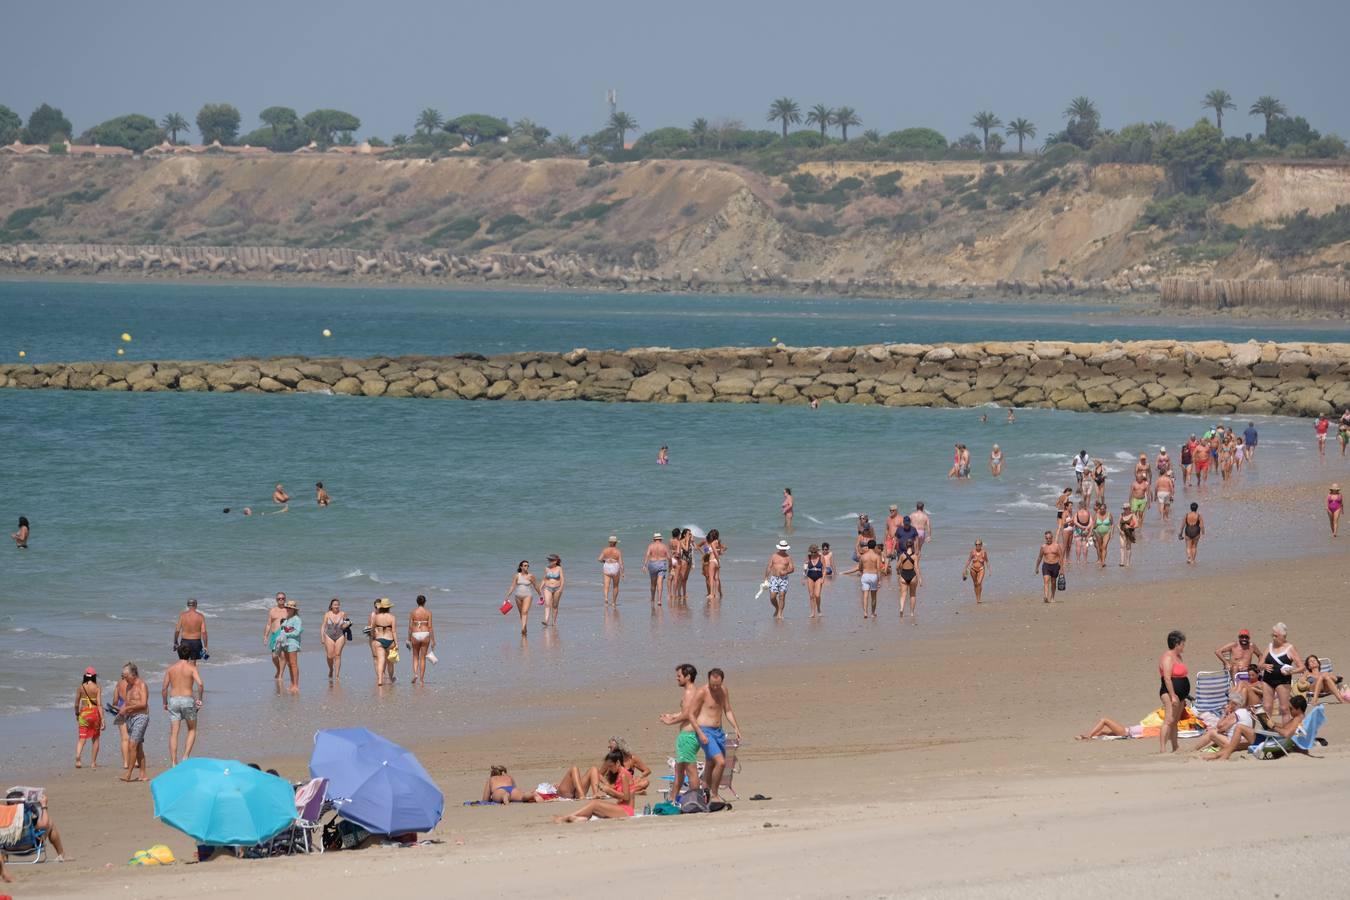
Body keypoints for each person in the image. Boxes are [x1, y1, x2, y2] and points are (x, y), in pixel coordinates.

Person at [1205, 695, 1306, 762]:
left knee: (1240, 727)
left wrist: (1273, 726)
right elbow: (1285, 728)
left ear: (1299, 709)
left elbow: (1286, 733)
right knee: (1236, 743)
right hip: (1272, 738)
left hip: (1272, 741)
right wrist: (1267, 721)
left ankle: (1224, 755)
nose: (1289, 710)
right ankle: (1217, 755)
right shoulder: (1298, 719)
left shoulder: (1297, 720)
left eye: (1291, 708)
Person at [695, 668, 741, 802]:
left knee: (710, 762)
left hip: (718, 731)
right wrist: (699, 732)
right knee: (720, 762)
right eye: (712, 684)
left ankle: (705, 792)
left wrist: (736, 727)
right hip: (704, 730)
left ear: (722, 681)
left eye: (717, 684)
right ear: (708, 680)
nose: (715, 687)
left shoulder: (723, 690)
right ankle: (714, 794)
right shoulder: (702, 692)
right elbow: (691, 714)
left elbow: (728, 710)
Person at [552, 750, 637, 823]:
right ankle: (580, 818)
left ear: (618, 763)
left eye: (611, 766)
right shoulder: (619, 775)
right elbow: (619, 796)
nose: (610, 769)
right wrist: (607, 791)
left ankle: (566, 817)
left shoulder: (624, 775)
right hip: (621, 807)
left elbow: (625, 797)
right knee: (595, 809)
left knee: (595, 804)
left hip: (626, 811)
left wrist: (609, 790)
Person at [659, 663, 702, 803]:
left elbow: (689, 715)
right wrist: (672, 715)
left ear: (688, 676)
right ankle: (672, 798)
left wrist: (670, 722)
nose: (677, 679)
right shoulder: (692, 692)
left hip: (688, 736)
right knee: (679, 769)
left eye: (679, 676)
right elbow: (686, 712)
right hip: (687, 736)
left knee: (690, 769)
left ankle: (695, 798)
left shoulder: (690, 692)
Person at [162, 644, 204, 766]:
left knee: (174, 733)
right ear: (190, 654)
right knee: (191, 729)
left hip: (174, 700)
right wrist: (200, 699)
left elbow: (164, 688)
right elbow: (200, 684)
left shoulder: (171, 668)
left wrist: (164, 703)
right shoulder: (191, 668)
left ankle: (174, 762)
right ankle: (185, 757)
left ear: (178, 653)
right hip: (187, 701)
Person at [4, 789, 67, 862]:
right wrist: (44, 805)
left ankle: (4, 858)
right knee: (49, 823)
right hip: (28, 846)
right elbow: (45, 825)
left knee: (5, 834)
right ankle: (61, 854)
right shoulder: (27, 814)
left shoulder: (3, 816)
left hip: (8, 848)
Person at [1261, 622, 1302, 725]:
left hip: (1282, 681)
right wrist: (1264, 666)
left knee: (1284, 708)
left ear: (1283, 636)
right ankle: (1267, 731)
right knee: (1267, 707)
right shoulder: (1269, 646)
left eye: (1276, 636)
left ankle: (1286, 732)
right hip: (1267, 679)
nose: (1274, 638)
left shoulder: (1290, 648)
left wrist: (1290, 671)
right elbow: (1260, 663)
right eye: (1272, 635)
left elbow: (1302, 667)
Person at [1158, 630, 1189, 754]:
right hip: (1169, 692)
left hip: (1180, 693)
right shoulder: (1167, 657)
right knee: (1169, 720)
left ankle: (1175, 746)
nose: (1183, 646)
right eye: (1182, 643)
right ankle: (1162, 748)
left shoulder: (1178, 657)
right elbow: (1167, 677)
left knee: (1175, 721)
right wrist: (1173, 695)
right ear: (1177, 643)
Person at [119, 662, 150, 782]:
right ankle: (143, 774)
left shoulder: (141, 685)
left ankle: (129, 773)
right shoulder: (128, 686)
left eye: (125, 676)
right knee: (138, 747)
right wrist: (121, 710)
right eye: (123, 676)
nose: (124, 679)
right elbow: (127, 702)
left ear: (133, 674)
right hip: (130, 718)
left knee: (132, 745)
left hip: (141, 717)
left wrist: (127, 708)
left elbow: (143, 703)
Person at [843, 539, 884, 618]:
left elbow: (860, 567)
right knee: (874, 596)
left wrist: (863, 571)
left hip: (865, 575)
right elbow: (879, 569)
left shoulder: (863, 556)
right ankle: (872, 613)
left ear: (868, 546)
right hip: (873, 575)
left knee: (865, 595)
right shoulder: (877, 556)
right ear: (875, 546)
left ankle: (865, 613)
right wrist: (879, 580)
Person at [74, 667, 104, 769]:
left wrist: (77, 714)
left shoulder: (81, 687)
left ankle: (78, 757)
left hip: (83, 714)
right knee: (95, 738)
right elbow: (99, 704)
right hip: (95, 714)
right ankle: (93, 763)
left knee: (82, 738)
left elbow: (76, 703)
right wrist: (103, 719)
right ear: (94, 676)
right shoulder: (97, 688)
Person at [277, 598, 303, 694]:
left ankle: (296, 685)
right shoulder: (287, 619)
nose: (288, 609)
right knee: (289, 664)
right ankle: (292, 684)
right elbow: (282, 630)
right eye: (287, 607)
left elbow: (297, 632)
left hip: (293, 643)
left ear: (294, 610)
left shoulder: (297, 619)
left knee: (293, 664)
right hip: (285, 644)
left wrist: (286, 634)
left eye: (290, 608)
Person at [506, 561, 540, 635]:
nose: (526, 567)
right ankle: (524, 628)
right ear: (521, 567)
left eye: (527, 566)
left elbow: (536, 586)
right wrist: (507, 595)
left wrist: (540, 595)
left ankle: (523, 628)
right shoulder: (517, 576)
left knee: (525, 612)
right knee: (521, 613)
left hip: (528, 596)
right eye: (524, 565)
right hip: (517, 596)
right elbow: (512, 586)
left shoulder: (531, 576)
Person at [408, 595, 435, 684]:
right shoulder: (428, 612)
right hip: (425, 634)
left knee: (415, 656)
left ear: (417, 602)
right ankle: (421, 680)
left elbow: (410, 627)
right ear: (424, 602)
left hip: (415, 634)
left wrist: (408, 639)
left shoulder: (412, 612)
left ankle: (415, 674)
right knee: (422, 658)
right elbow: (430, 627)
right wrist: (433, 640)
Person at [764, 540, 794, 619]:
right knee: (772, 597)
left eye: (784, 549)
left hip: (784, 579)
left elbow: (792, 569)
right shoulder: (774, 556)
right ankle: (777, 608)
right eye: (782, 548)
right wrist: (766, 578)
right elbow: (769, 566)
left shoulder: (788, 557)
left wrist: (786, 571)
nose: (783, 550)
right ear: (779, 548)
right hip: (774, 578)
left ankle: (780, 613)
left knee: (782, 596)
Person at [321, 598, 351, 680]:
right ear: (331, 606)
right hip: (329, 635)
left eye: (338, 604)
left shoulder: (343, 614)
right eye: (335, 605)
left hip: (340, 635)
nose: (337, 606)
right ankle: (331, 669)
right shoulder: (327, 614)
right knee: (330, 655)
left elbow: (345, 625)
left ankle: (337, 675)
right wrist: (322, 637)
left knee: (337, 655)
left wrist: (348, 623)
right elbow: (323, 626)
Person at [173, 598, 207, 665]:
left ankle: (184, 675)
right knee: (193, 663)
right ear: (196, 605)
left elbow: (177, 630)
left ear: (188, 605)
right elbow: (204, 632)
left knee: (184, 662)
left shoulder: (182, 615)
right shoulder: (200, 616)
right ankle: (192, 674)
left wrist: (175, 641)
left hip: (185, 642)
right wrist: (205, 646)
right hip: (196, 642)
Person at [370, 598, 396, 686]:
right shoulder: (392, 617)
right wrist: (397, 643)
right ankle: (390, 679)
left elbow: (372, 630)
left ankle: (380, 680)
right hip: (390, 640)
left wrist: (374, 637)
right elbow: (394, 631)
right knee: (390, 662)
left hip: (379, 640)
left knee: (381, 660)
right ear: (389, 607)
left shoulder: (376, 617)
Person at [264, 593, 288, 682]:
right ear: (276, 600)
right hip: (274, 635)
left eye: (282, 598)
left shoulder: (288, 610)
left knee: (283, 656)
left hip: (284, 635)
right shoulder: (272, 611)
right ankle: (278, 669)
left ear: (285, 599)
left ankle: (281, 675)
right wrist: (265, 636)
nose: (281, 600)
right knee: (274, 656)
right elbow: (268, 624)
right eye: (279, 599)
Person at [1034, 530, 1062, 604]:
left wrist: (1062, 569)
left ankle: (1052, 597)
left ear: (1052, 537)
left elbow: (1061, 557)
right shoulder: (1043, 547)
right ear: (1045, 538)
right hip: (1046, 565)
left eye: (1049, 538)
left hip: (1055, 565)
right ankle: (1046, 597)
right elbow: (1040, 557)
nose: (1048, 540)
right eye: (1047, 538)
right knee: (1046, 581)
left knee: (1053, 582)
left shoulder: (1056, 546)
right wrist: (1036, 567)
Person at [896, 539, 922, 620]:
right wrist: (920, 578)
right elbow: (916, 568)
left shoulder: (902, 555)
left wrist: (899, 571)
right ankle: (911, 613)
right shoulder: (915, 556)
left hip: (903, 575)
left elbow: (897, 566)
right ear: (912, 546)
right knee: (913, 595)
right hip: (912, 576)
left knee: (903, 594)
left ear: (906, 546)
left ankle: (901, 609)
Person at [643, 533, 670, 607]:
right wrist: (671, 565)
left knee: (653, 583)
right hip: (662, 564)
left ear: (654, 539)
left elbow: (647, 555)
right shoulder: (664, 546)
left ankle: (652, 598)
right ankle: (659, 600)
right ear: (661, 539)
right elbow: (669, 556)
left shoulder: (651, 546)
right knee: (660, 582)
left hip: (652, 564)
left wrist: (644, 565)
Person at [598, 535, 624, 605]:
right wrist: (622, 572)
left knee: (606, 585)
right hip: (615, 566)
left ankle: (606, 598)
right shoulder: (618, 551)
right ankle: (613, 602)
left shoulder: (605, 550)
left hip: (607, 565)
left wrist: (605, 561)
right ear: (616, 543)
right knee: (615, 586)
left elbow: (599, 559)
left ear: (609, 542)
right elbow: (621, 563)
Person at [541, 554, 565, 627]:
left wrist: (561, 588)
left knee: (554, 606)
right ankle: (546, 620)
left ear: (556, 561)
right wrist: (540, 587)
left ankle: (554, 622)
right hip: (547, 588)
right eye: (549, 560)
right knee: (547, 604)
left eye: (551, 560)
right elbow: (544, 579)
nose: (550, 561)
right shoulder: (546, 568)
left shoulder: (559, 568)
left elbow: (562, 579)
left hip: (557, 588)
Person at [962, 539, 989, 604]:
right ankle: (977, 599)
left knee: (979, 583)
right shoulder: (972, 552)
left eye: (979, 544)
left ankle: (979, 598)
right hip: (973, 569)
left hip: (981, 569)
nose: (978, 545)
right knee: (975, 584)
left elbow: (987, 561)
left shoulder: (984, 552)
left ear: (981, 545)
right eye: (976, 544)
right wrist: (965, 569)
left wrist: (989, 570)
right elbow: (969, 560)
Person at [702, 529, 725, 602]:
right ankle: (720, 593)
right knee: (717, 578)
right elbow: (721, 552)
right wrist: (718, 562)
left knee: (711, 578)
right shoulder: (718, 542)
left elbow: (715, 553)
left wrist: (717, 560)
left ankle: (712, 594)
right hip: (717, 561)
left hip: (712, 561)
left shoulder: (712, 543)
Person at [804, 544, 825, 618]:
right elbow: (805, 569)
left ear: (817, 551)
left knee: (817, 595)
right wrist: (804, 578)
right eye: (812, 552)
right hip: (810, 576)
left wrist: (823, 578)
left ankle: (819, 609)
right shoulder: (808, 557)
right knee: (811, 595)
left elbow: (824, 569)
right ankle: (813, 612)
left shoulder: (821, 557)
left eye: (814, 552)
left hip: (819, 577)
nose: (813, 553)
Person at [1092, 503, 1113, 569]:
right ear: (1099, 509)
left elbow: (1112, 524)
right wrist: (1093, 528)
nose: (1102, 510)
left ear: (1105, 509)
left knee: (1104, 546)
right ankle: (1101, 560)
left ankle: (1103, 562)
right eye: (1101, 509)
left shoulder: (1109, 514)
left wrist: (1111, 533)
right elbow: (1094, 525)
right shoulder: (1096, 515)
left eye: (1103, 509)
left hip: (1107, 532)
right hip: (1098, 532)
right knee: (1100, 547)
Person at [1118, 503, 1138, 567]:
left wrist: (1129, 527)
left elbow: (1137, 525)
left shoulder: (1133, 515)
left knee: (1128, 547)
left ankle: (1128, 563)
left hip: (1130, 533)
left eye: (1126, 509)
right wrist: (1120, 531)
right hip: (1122, 532)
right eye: (1124, 509)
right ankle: (1122, 562)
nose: (1125, 510)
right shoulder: (1121, 515)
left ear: (1129, 509)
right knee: (1122, 546)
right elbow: (1118, 525)